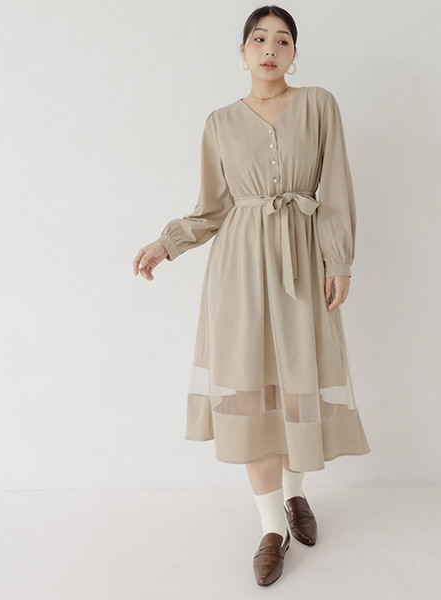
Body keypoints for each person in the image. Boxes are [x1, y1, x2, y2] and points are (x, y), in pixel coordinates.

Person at [132, 5, 371, 587]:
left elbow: (337, 186)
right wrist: (168, 243)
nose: (270, 49)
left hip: (301, 262)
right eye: (259, 39)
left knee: (296, 382)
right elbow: (212, 207)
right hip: (239, 269)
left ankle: (294, 492)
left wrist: (339, 259)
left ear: (294, 54)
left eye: (282, 40)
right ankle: (270, 527)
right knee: (249, 392)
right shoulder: (219, 122)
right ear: (242, 53)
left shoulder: (319, 105)